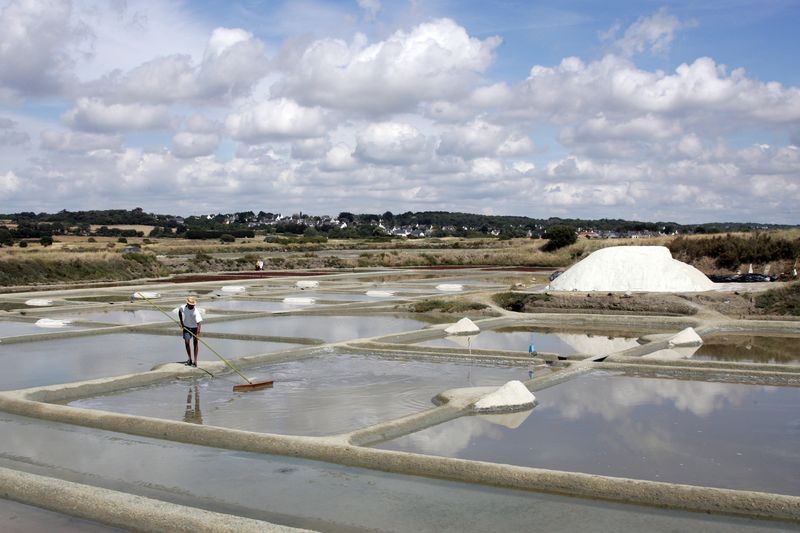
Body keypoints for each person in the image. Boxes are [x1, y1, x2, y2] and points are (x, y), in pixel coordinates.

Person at [178, 296, 202, 366]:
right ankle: (190, 359)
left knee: (195, 343)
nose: (192, 306)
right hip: (186, 327)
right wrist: (181, 322)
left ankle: (195, 360)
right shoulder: (183, 307)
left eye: (193, 305)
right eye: (191, 305)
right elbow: (179, 312)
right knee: (187, 342)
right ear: (187, 304)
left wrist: (197, 334)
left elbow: (199, 324)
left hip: (195, 328)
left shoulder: (196, 312)